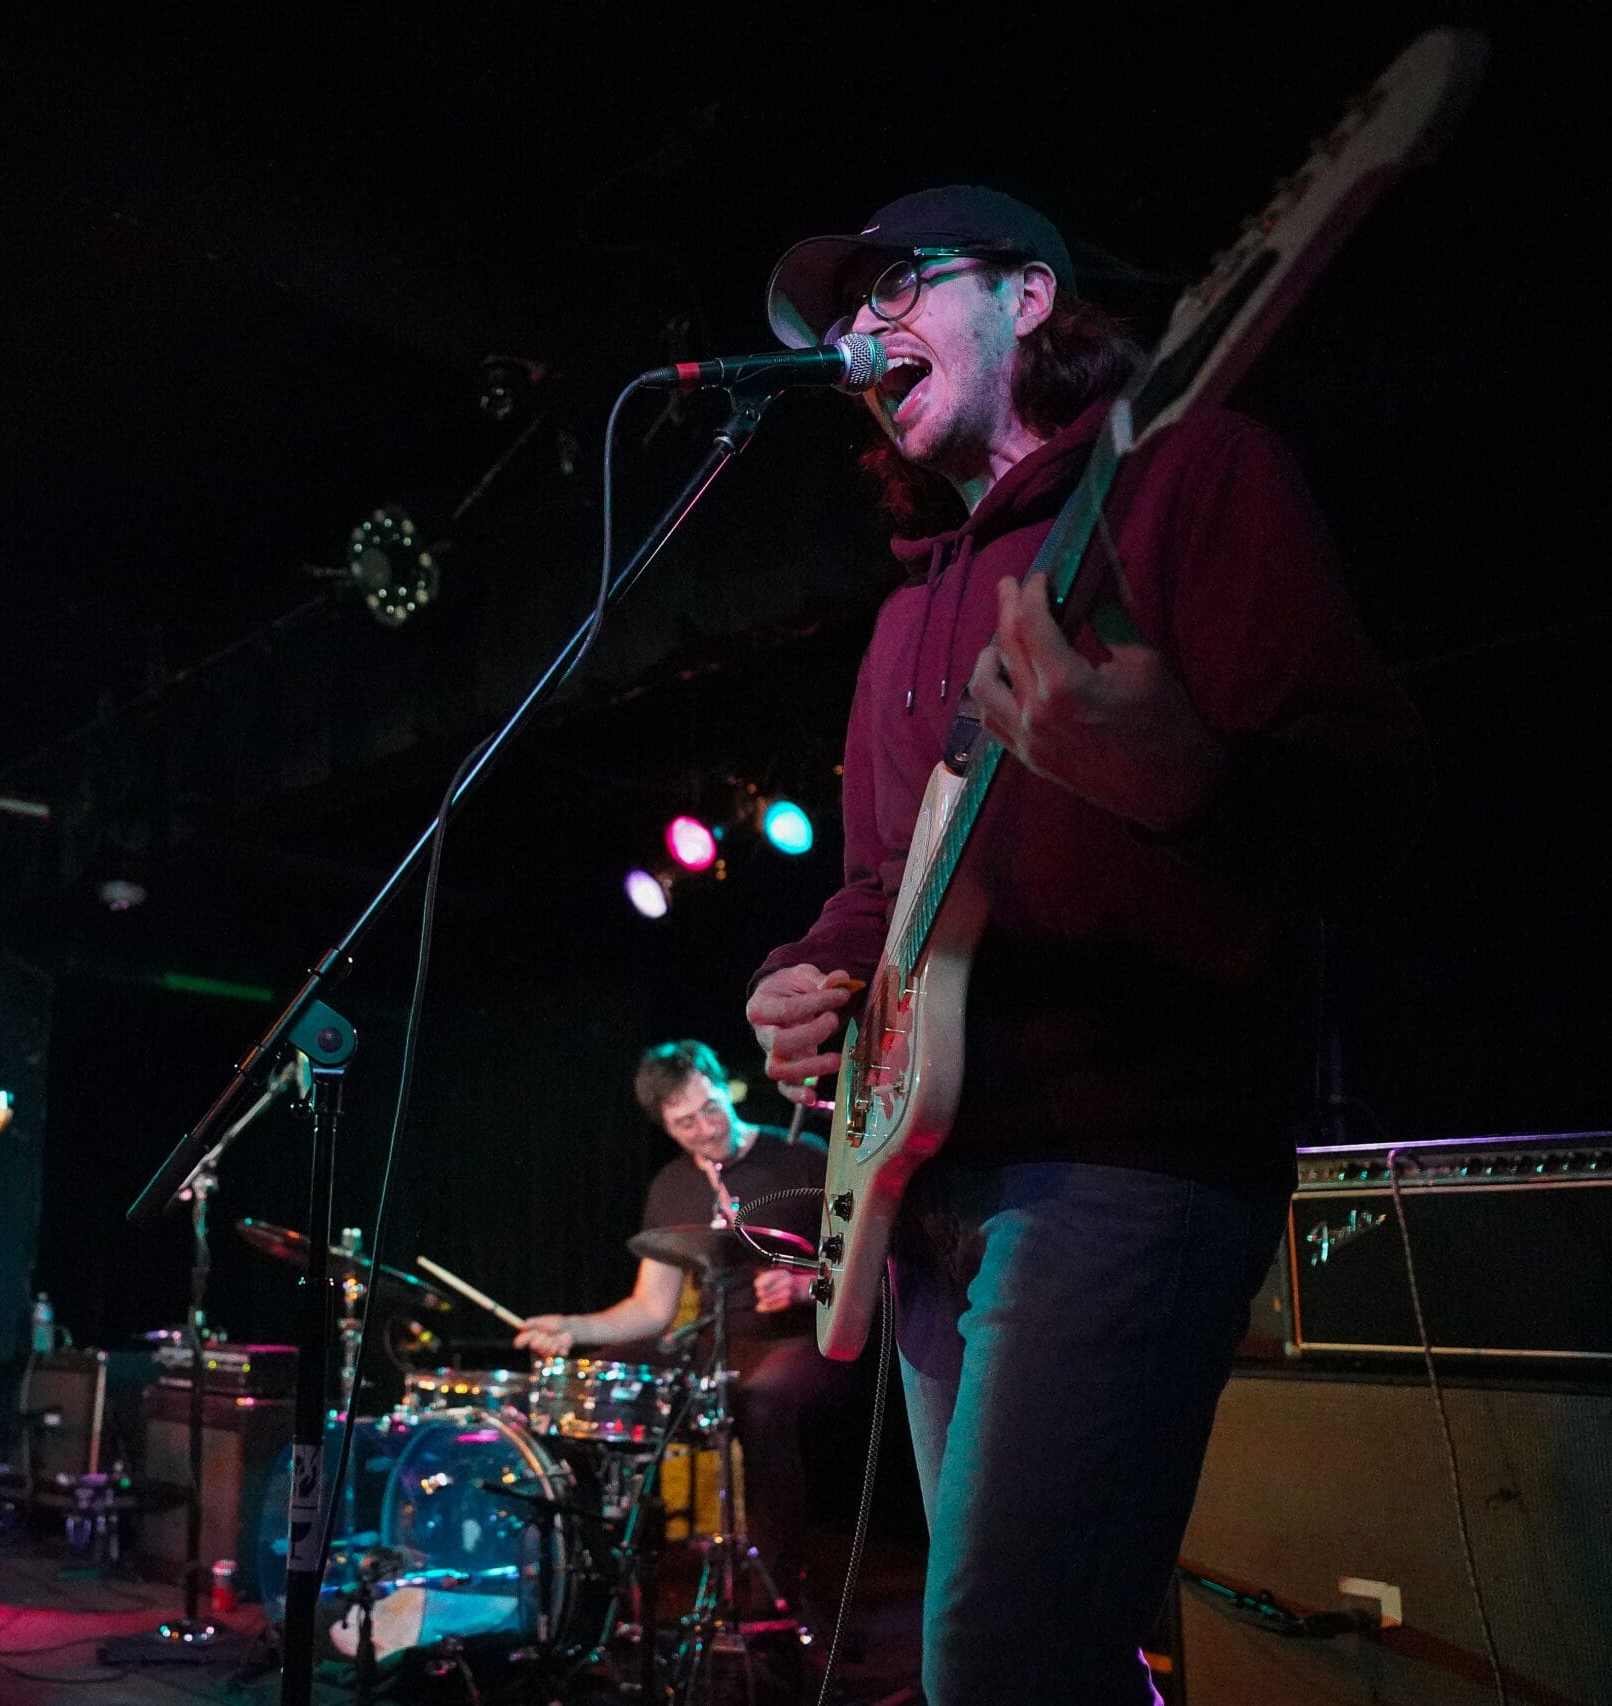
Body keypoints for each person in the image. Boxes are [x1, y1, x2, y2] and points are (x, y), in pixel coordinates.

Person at [741, 186, 1423, 1703]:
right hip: (928, 1185)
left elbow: (1374, 808)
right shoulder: (905, 613)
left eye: (897, 287)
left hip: (1129, 1152)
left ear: (1031, 297)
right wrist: (797, 983)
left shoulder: (1192, 473)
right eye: (846, 320)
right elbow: (877, 890)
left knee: (996, 1664)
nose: (863, 334)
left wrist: (1188, 778)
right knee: (1037, 1667)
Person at [515, 1039, 857, 1613]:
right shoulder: (672, 1185)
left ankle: (775, 1601)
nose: (704, 1127)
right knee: (592, 1386)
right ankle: (604, 1584)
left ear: (724, 1086)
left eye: (711, 1107)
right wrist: (573, 1328)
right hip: (713, 1340)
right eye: (684, 1122)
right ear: (665, 1126)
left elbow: (871, 1260)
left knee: (759, 1401)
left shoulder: (803, 1156)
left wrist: (807, 1285)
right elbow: (651, 1308)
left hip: (803, 1339)